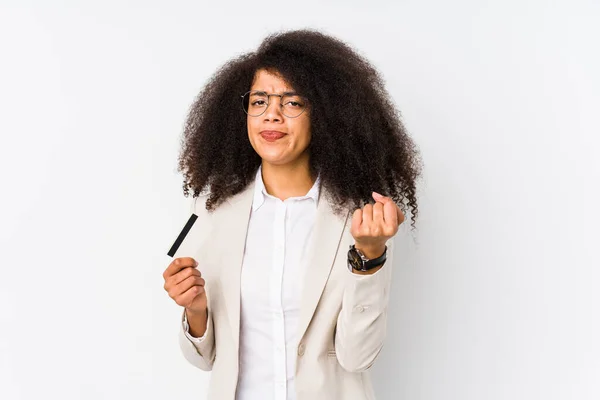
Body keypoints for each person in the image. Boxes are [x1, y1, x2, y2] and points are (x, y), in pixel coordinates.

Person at [162, 29, 422, 400]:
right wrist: (196, 311)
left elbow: (358, 357)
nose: (272, 116)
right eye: (259, 101)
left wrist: (369, 257)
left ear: (325, 114)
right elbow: (204, 360)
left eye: (292, 103)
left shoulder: (363, 219)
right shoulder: (213, 212)